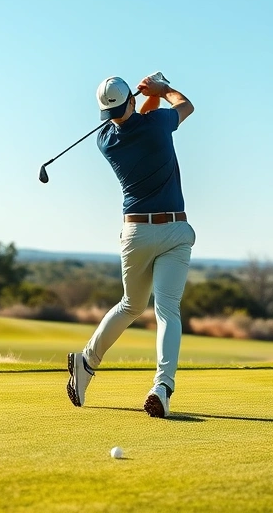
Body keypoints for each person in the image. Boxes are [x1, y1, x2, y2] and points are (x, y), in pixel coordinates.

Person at [66, 73, 196, 418]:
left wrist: (145, 97)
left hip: (135, 234)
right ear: (132, 103)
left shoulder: (106, 140)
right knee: (168, 310)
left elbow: (136, 121)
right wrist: (162, 89)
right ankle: (162, 387)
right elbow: (186, 106)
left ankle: (86, 362)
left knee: (130, 305)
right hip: (173, 231)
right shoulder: (157, 124)